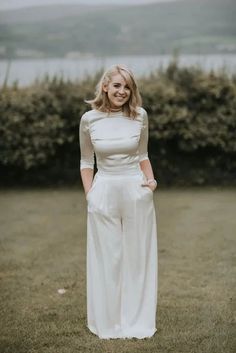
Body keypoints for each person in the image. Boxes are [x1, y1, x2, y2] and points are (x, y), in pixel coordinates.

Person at [79, 64, 158, 340]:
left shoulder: (140, 116)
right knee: (108, 258)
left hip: (136, 192)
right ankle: (108, 321)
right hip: (103, 193)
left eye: (127, 87)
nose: (122, 91)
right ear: (105, 86)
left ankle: (136, 320)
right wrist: (90, 195)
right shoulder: (89, 119)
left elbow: (143, 155)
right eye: (117, 86)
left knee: (137, 258)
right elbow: (86, 161)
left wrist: (151, 182)